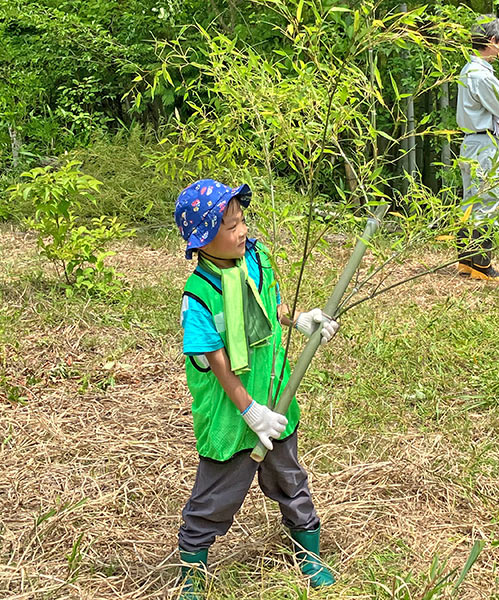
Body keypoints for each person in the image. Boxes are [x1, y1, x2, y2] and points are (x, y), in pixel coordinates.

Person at [174, 179, 339, 598]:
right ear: (203, 239)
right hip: (231, 414)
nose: (241, 230)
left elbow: (272, 304)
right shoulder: (199, 294)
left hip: (276, 393)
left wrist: (300, 318)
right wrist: (249, 411)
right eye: (229, 227)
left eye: (242, 219)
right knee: (216, 494)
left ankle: (309, 553)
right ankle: (192, 567)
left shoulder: (258, 257)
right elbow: (217, 362)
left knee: (290, 478)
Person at [456, 15, 499, 282]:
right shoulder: (481, 75)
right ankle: (481, 264)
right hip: (484, 142)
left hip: (470, 140)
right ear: (492, 41)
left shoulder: (468, 70)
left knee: (470, 197)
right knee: (487, 200)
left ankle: (465, 260)